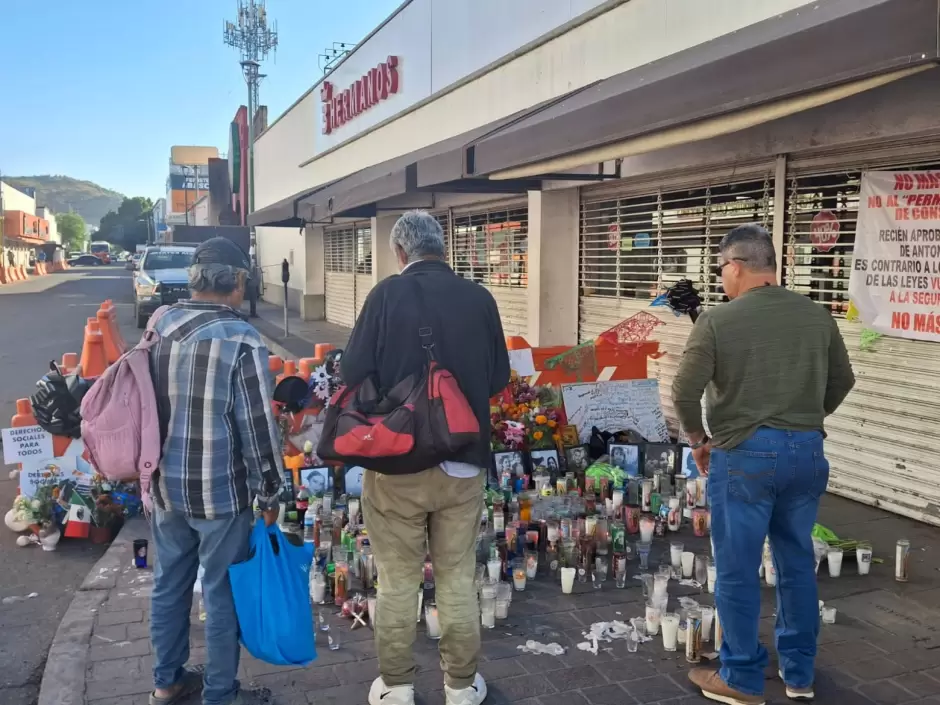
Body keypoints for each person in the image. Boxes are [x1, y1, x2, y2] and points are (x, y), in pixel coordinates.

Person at [672, 224, 855, 705]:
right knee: (795, 564)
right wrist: (804, 418)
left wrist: (698, 440)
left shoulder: (718, 321)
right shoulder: (817, 315)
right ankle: (799, 674)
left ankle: (741, 678)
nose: (720, 278)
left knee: (737, 569)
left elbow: (683, 392)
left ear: (735, 265)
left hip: (745, 456)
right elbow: (843, 380)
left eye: (720, 269)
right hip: (807, 453)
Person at [341, 210, 510, 705]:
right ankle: (460, 687)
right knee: (458, 577)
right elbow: (498, 378)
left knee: (397, 581)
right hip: (463, 461)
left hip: (397, 465)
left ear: (399, 253)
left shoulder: (385, 295)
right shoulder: (479, 298)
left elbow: (353, 369)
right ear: (443, 249)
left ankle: (396, 687)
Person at [147, 237, 283, 705]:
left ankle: (166, 683)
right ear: (239, 281)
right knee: (221, 596)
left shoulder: (160, 323)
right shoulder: (240, 337)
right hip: (221, 494)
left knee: (169, 584)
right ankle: (220, 694)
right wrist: (271, 491)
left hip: (164, 484)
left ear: (195, 279)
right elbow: (258, 426)